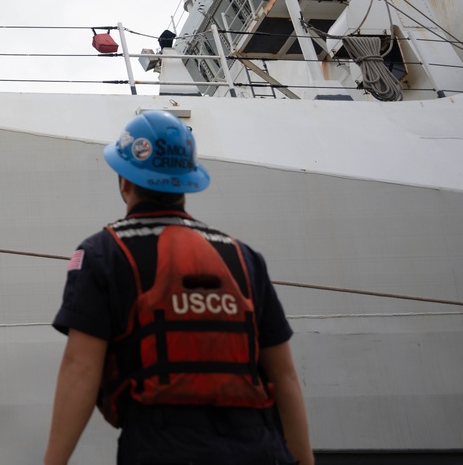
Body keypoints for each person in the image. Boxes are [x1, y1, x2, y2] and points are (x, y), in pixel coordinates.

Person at [44, 110, 313, 465]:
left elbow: (81, 367)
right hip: (260, 448)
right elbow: (285, 376)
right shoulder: (244, 257)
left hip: (161, 447)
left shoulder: (103, 254)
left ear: (125, 181)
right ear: (188, 181)